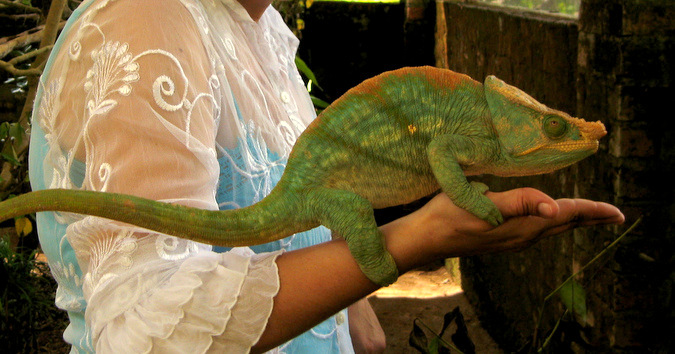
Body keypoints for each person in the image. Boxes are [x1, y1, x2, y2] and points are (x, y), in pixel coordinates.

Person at [27, 0, 625, 352]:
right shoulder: (147, 21)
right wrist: (412, 240)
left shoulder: (259, 30)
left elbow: (311, 202)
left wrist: (347, 307)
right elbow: (145, 329)